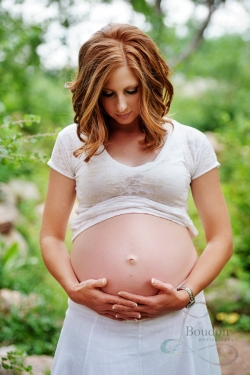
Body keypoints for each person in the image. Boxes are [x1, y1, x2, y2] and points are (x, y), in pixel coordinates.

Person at [40, 23, 233, 375]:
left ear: (151, 82)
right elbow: (51, 235)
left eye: (131, 90)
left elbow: (221, 238)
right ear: (91, 90)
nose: (122, 105)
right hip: (95, 319)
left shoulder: (190, 143)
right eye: (108, 94)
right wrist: (73, 289)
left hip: (177, 317)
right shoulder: (74, 141)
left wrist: (185, 294)